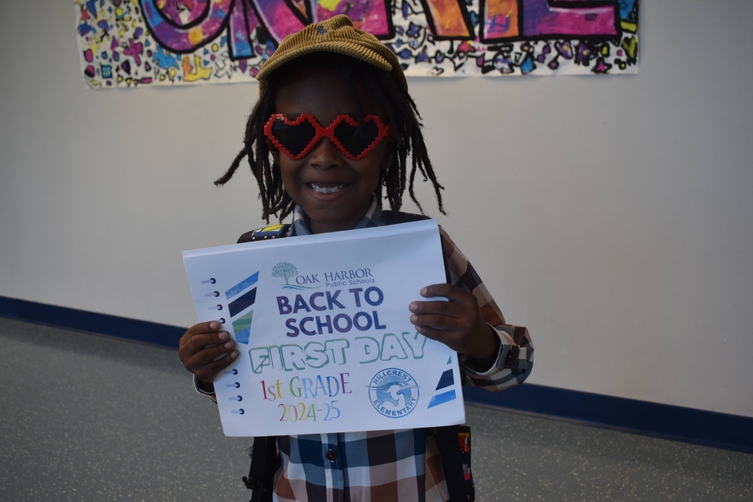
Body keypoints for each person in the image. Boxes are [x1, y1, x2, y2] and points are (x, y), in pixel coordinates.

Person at [178, 15, 533, 501]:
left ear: (387, 147)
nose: (324, 156)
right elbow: (247, 389)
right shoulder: (252, 264)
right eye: (298, 133)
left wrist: (477, 340)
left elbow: (514, 368)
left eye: (356, 132)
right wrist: (209, 369)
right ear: (273, 146)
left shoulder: (425, 249)